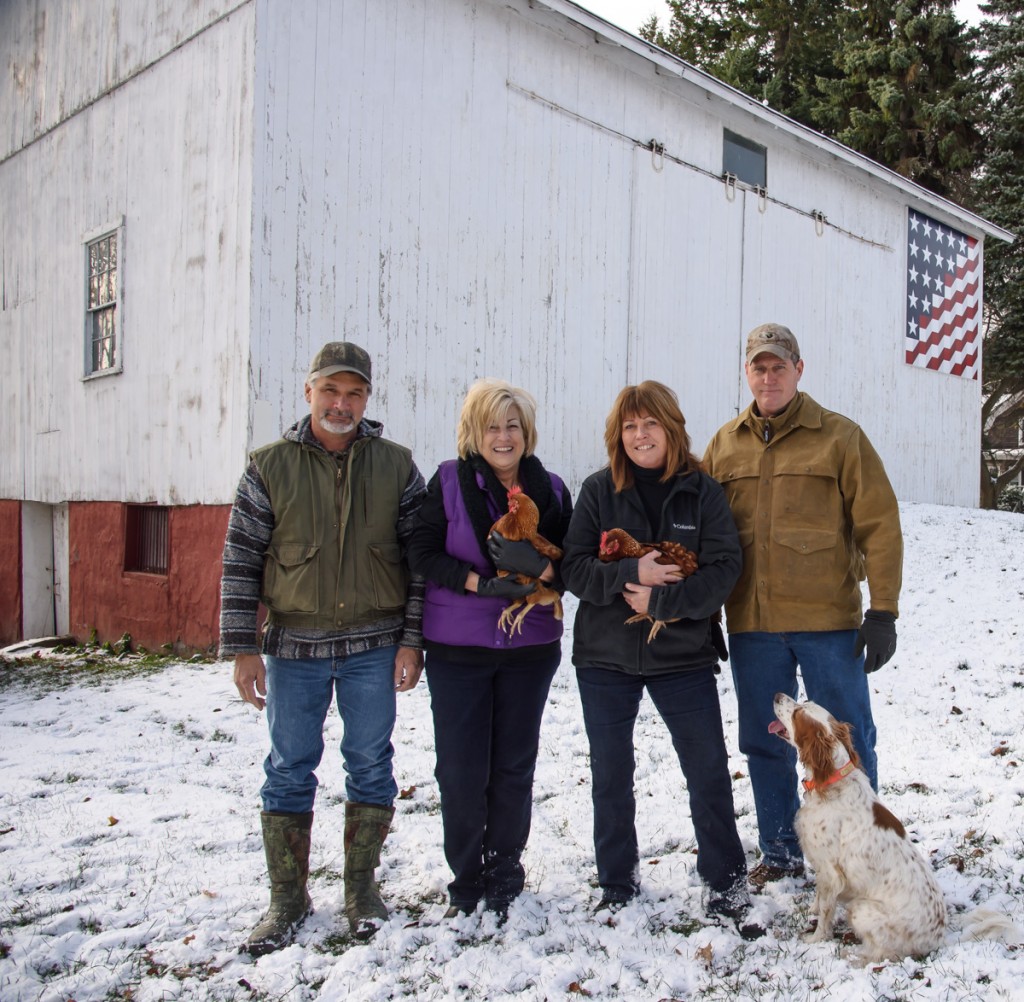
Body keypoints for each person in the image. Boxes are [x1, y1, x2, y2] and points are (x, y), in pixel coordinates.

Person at [219, 341, 427, 954]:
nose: (342, 404)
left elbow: (419, 564)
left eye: (354, 393)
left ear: (367, 398)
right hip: (293, 649)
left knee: (370, 763)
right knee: (288, 769)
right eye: (330, 391)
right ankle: (287, 897)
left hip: (372, 645)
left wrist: (411, 640)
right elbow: (239, 561)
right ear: (309, 391)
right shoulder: (268, 466)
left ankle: (361, 889)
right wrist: (241, 646)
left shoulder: (397, 466)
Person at [703, 322, 902, 890]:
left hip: (828, 625)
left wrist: (882, 611)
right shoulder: (724, 444)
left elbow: (880, 527)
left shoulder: (839, 438)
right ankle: (782, 850)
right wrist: (706, 613)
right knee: (765, 738)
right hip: (752, 625)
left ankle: (863, 847)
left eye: (779, 366)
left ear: (798, 369)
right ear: (747, 372)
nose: (768, 376)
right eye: (758, 367)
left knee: (847, 737)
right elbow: (707, 537)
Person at [561, 381, 761, 938]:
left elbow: (725, 568)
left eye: (649, 424)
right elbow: (575, 569)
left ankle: (725, 880)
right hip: (604, 655)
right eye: (629, 426)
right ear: (616, 436)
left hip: (682, 654)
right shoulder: (599, 491)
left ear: (672, 428)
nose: (639, 435)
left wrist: (664, 601)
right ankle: (616, 881)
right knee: (610, 773)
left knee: (706, 771)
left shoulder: (703, 492)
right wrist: (632, 574)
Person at [407, 378, 572, 921]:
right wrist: (480, 585)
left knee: (513, 763)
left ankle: (505, 867)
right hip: (459, 648)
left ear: (527, 433)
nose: (503, 437)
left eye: (513, 426)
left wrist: (543, 570)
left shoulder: (551, 489)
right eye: (492, 426)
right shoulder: (449, 482)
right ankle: (465, 875)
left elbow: (574, 564)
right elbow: (423, 551)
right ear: (473, 432)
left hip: (531, 647)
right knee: (460, 767)